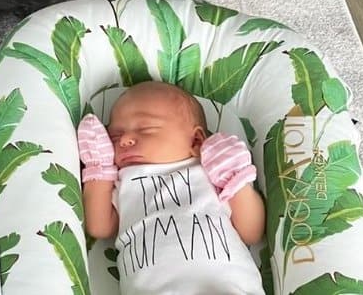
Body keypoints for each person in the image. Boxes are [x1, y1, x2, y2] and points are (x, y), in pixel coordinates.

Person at [78, 81, 265, 294]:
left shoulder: (211, 172)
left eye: (145, 129)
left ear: (195, 141)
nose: (125, 140)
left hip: (226, 287)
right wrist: (99, 168)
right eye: (114, 136)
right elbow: (99, 226)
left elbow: (251, 231)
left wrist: (235, 179)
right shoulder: (124, 180)